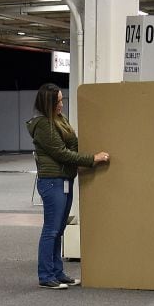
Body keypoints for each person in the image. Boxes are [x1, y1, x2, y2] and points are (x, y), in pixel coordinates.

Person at [26, 83, 109, 290]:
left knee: (59, 229)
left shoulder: (60, 119)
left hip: (64, 179)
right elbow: (62, 153)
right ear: (48, 103)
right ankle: (46, 275)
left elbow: (73, 145)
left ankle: (57, 273)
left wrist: (78, 153)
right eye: (58, 101)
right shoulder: (43, 125)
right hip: (52, 181)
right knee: (51, 230)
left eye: (62, 100)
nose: (62, 104)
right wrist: (92, 159)